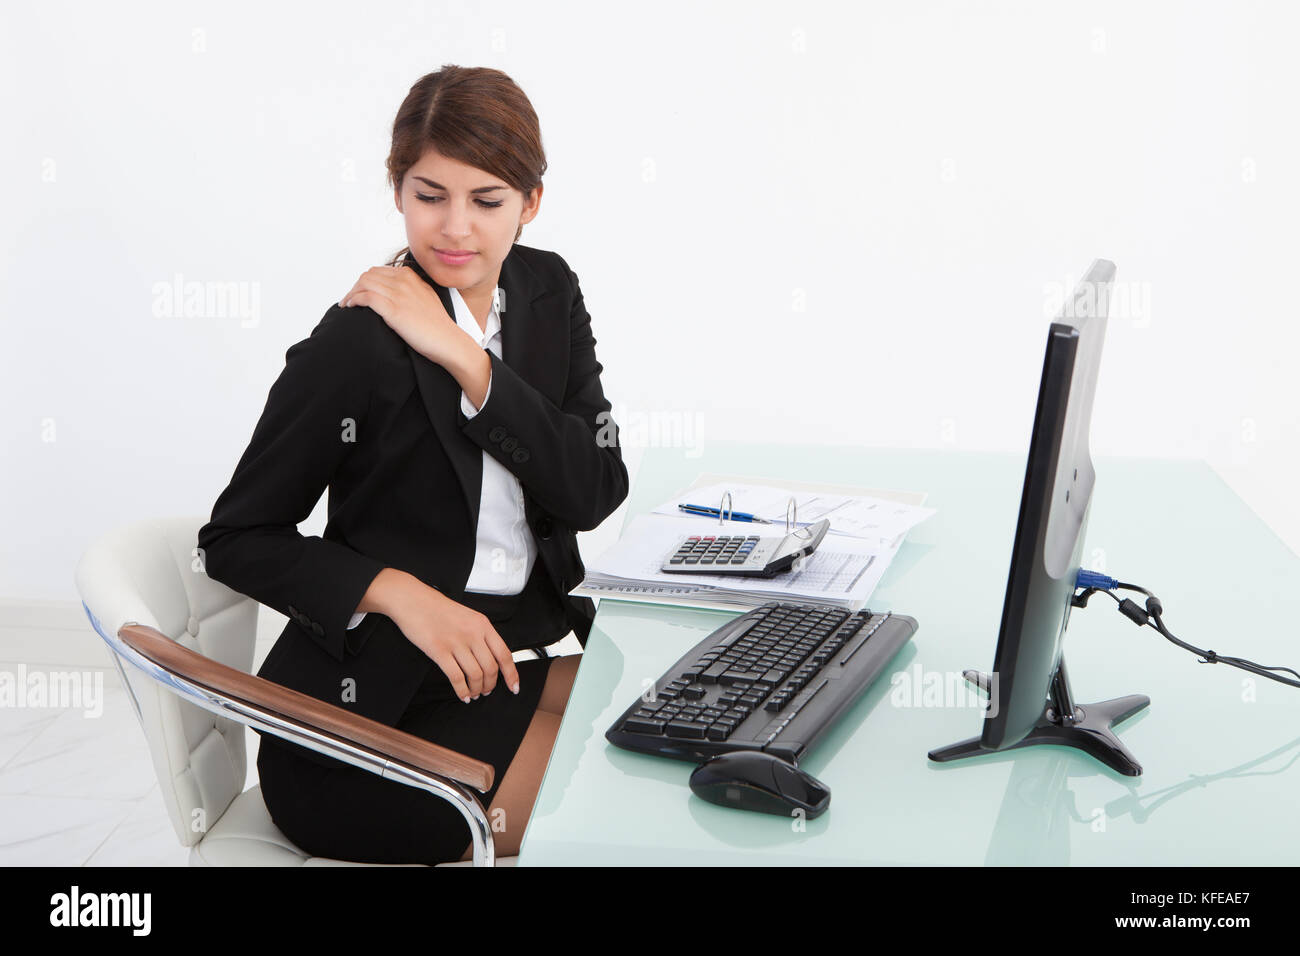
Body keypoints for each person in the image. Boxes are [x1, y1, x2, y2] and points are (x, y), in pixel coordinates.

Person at [197, 65, 627, 864]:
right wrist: (397, 595)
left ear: (530, 204)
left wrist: (467, 359)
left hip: (496, 671)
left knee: (666, 726)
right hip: (360, 724)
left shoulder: (548, 291)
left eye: (487, 200)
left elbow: (594, 486)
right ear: (398, 189)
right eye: (430, 194)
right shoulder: (356, 341)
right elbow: (236, 537)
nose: (455, 228)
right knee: (594, 815)